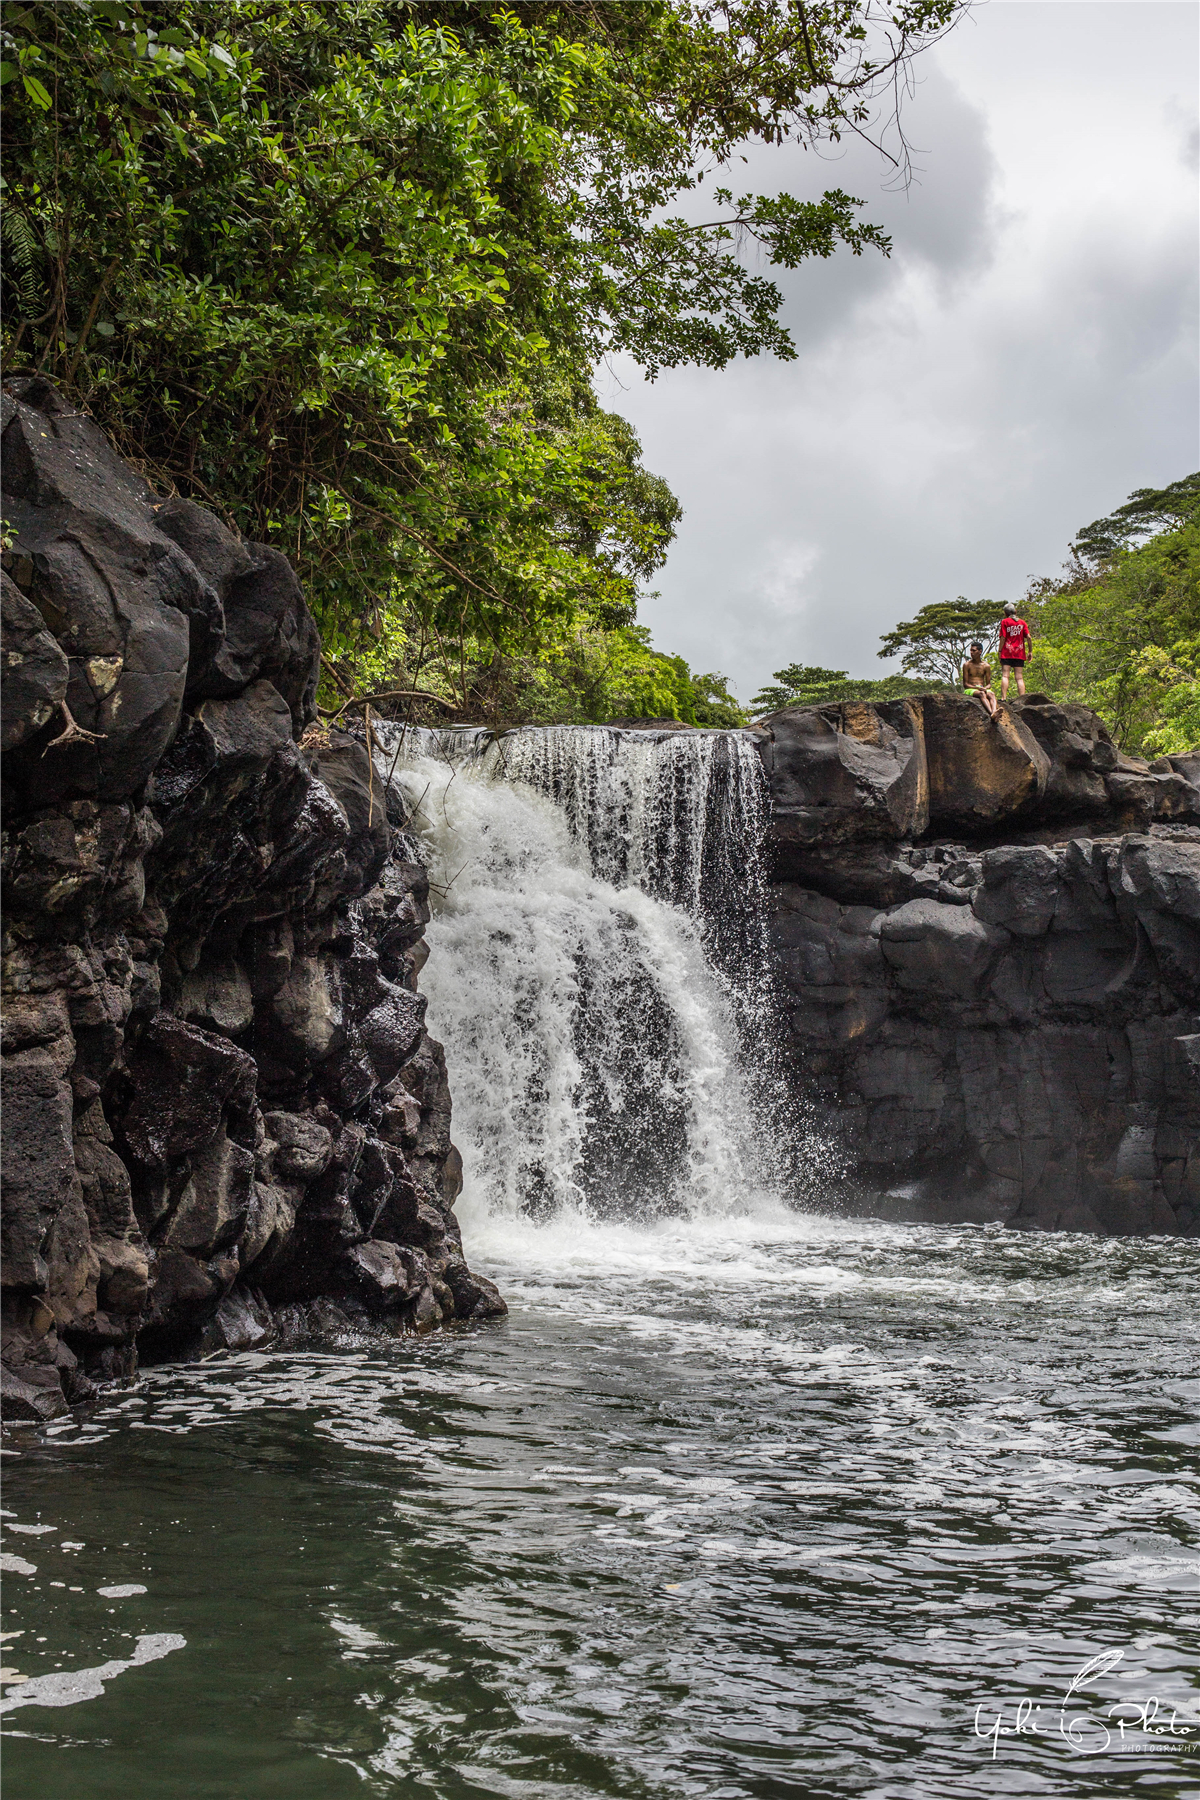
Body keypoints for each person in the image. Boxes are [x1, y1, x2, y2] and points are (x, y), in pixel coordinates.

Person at [997, 604, 1032, 699]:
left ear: (1005, 613)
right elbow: (1028, 637)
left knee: (1005, 675)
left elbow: (1003, 637)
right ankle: (1023, 699)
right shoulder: (1022, 623)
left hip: (1007, 652)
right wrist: (1030, 651)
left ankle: (1003, 698)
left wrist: (1000, 651)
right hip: (1019, 653)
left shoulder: (1005, 622)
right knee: (1019, 677)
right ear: (1015, 612)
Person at [961, 642, 998, 717]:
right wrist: (977, 688)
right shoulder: (967, 665)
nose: (971, 653)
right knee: (982, 694)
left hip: (982, 688)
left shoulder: (986, 666)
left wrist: (985, 688)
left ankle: (995, 711)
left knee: (991, 694)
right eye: (971, 650)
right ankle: (991, 713)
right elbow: (965, 684)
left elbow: (989, 684)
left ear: (980, 651)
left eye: (974, 651)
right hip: (971, 689)